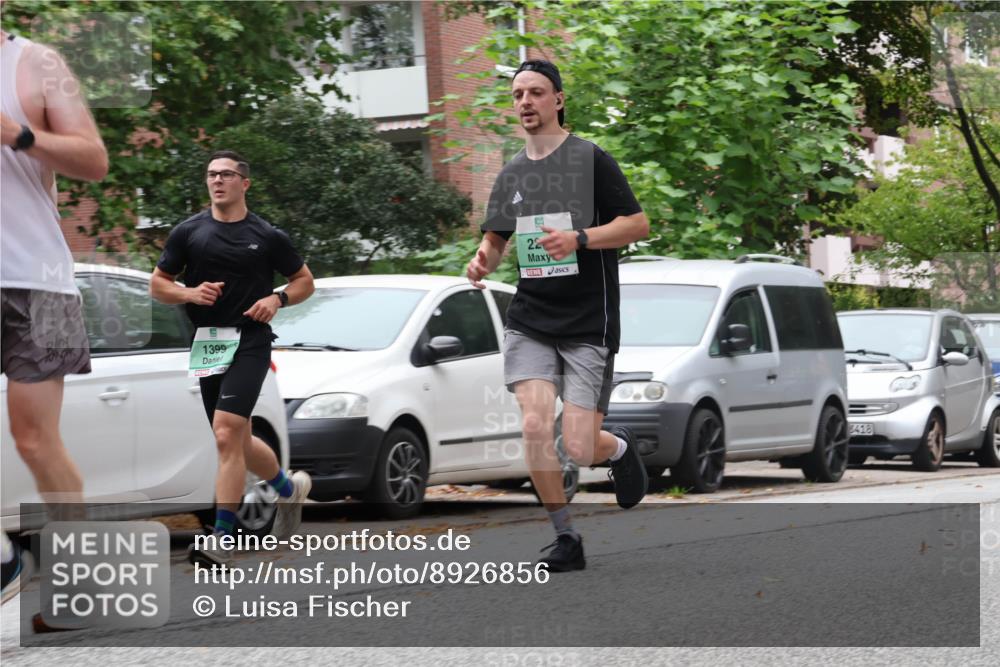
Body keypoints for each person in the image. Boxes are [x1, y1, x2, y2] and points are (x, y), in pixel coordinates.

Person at [467, 60, 650, 572]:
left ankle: (615, 450)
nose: (526, 102)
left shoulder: (591, 160)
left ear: (558, 100)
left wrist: (580, 239)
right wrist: (484, 260)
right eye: (519, 94)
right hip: (532, 315)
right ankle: (566, 537)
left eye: (537, 93)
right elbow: (496, 238)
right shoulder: (511, 174)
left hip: (590, 317)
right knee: (532, 424)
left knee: (579, 445)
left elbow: (637, 224)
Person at [150, 150, 315, 566]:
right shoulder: (188, 233)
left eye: (226, 174)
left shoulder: (267, 235)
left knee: (225, 433)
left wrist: (276, 299)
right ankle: (286, 489)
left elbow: (304, 282)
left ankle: (222, 538)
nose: (217, 180)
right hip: (209, 341)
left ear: (245, 183)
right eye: (210, 174)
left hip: (251, 341)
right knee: (235, 438)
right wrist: (189, 293)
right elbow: (158, 284)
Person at [1, 28, 109, 603]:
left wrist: (17, 133)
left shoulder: (38, 63)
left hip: (40, 282)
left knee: (35, 440)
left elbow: (94, 159)